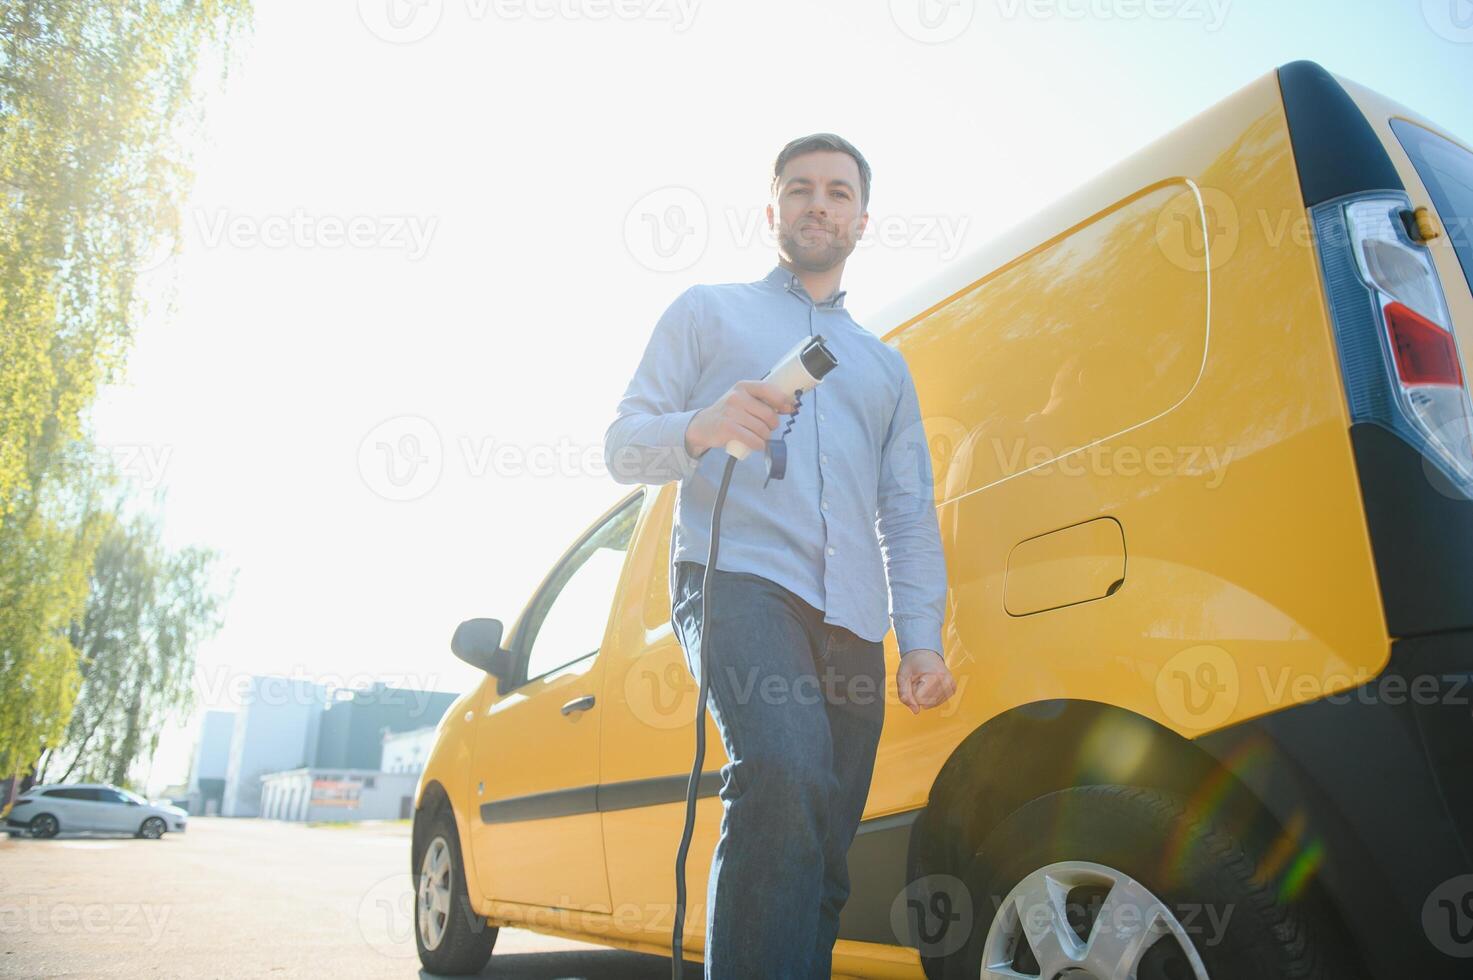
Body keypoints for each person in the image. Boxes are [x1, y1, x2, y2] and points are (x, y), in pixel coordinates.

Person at [603, 132, 956, 979]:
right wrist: (702, 425)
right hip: (736, 579)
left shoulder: (884, 366)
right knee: (782, 769)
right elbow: (622, 446)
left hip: (853, 617)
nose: (817, 204)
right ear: (772, 210)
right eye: (799, 189)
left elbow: (906, 512)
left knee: (826, 846)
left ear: (861, 220)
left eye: (837, 192)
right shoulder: (706, 312)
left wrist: (921, 639)